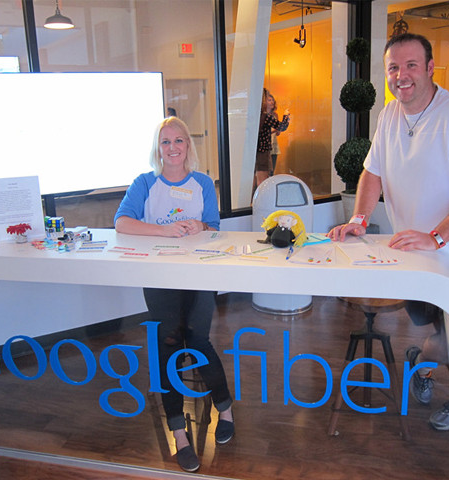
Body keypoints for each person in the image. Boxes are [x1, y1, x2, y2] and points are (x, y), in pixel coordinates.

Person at [327, 33, 449, 431]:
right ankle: (422, 366)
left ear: (430, 68)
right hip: (416, 254)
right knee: (438, 331)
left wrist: (437, 236)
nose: (401, 75)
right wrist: (359, 220)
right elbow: (373, 172)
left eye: (410, 65)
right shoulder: (389, 115)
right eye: (393, 67)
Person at [114, 116, 234, 473]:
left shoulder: (202, 183)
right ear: (158, 149)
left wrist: (201, 226)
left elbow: (215, 228)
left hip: (199, 276)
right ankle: (179, 434)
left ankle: (225, 410)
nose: (172, 147)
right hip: (159, 277)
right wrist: (164, 231)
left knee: (198, 342)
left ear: (188, 145)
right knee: (167, 346)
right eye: (165, 142)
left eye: (178, 140)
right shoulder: (144, 183)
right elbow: (121, 222)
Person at [255, 88, 289, 189]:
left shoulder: (255, 115)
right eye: (267, 99)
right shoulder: (265, 116)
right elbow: (281, 127)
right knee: (263, 180)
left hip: (254, 151)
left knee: (255, 179)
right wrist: (286, 117)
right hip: (263, 151)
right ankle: (263, 197)